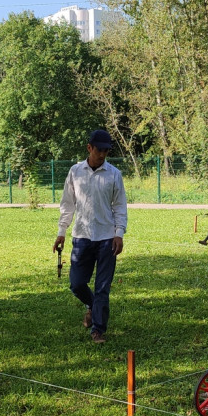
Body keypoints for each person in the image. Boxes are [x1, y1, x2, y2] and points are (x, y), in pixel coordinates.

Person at [53, 129, 128, 344]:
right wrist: (61, 232)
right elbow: (67, 204)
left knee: (102, 287)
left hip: (107, 238)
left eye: (106, 151)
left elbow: (120, 206)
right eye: (99, 150)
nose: (103, 154)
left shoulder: (114, 174)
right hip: (82, 237)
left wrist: (119, 233)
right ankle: (92, 307)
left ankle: (98, 330)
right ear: (89, 148)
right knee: (76, 284)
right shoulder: (75, 172)